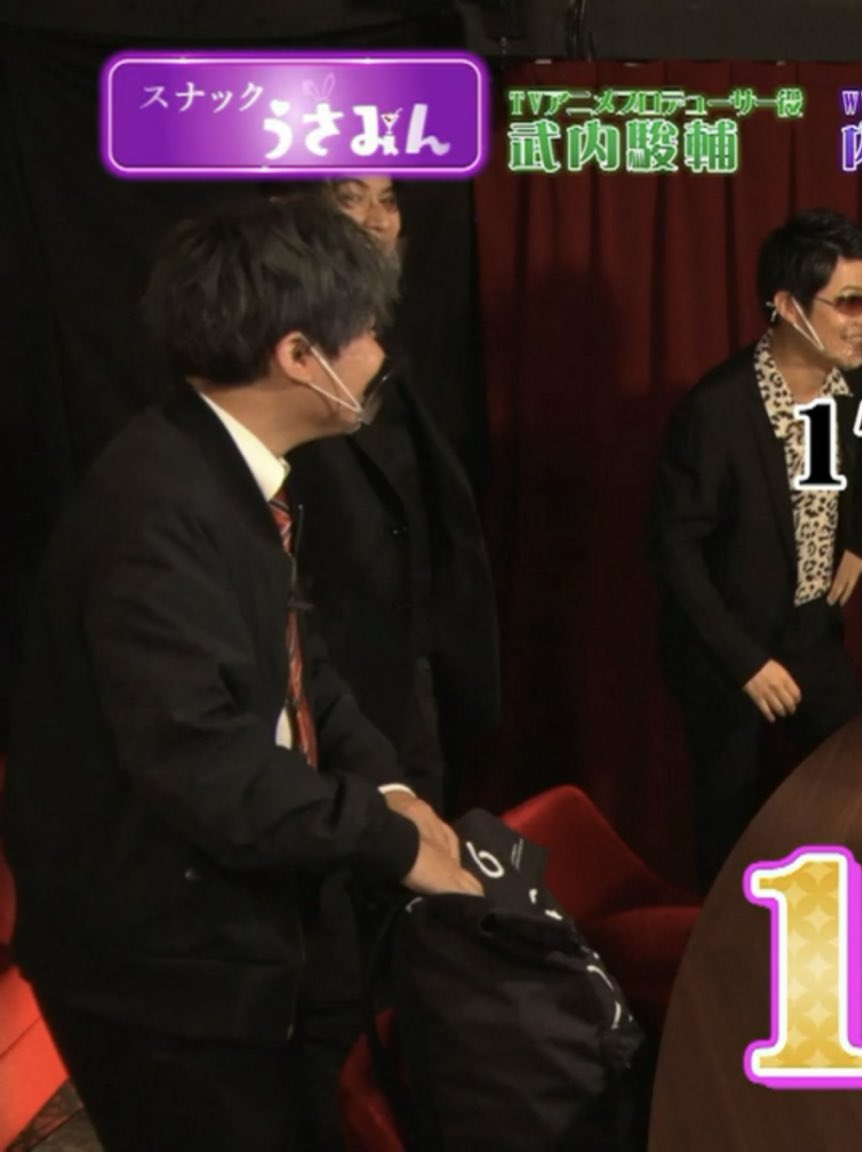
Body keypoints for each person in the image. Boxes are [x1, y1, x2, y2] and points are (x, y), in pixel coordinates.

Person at [1, 196, 482, 1152]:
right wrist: (384, 837)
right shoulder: (157, 513)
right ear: (300, 355)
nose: (379, 354)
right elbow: (204, 767)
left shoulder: (223, 465)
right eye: (365, 331)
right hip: (158, 969)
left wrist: (388, 786)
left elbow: (304, 659)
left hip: (249, 923)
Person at [268, 174, 501, 1147]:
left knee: (410, 942)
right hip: (331, 714)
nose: (374, 219)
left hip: (409, 685)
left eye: (389, 199)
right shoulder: (275, 391)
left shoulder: (391, 358)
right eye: (348, 198)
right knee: (343, 963)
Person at [651, 209, 862, 888]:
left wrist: (859, 544)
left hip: (810, 629)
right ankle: (724, 944)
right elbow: (673, 548)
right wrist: (744, 662)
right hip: (727, 649)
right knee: (729, 818)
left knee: (861, 770)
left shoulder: (853, 383)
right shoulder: (717, 409)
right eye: (849, 302)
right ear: (787, 306)